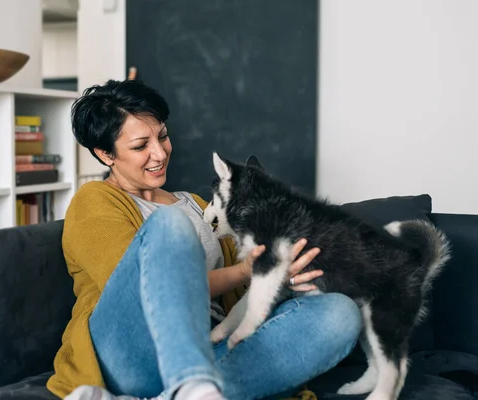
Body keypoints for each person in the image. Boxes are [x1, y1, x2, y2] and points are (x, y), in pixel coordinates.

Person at [46, 79, 362, 400]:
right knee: (170, 224)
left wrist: (282, 271)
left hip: (212, 343)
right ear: (105, 153)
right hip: (133, 352)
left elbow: (245, 290)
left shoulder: (197, 205)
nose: (159, 152)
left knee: (339, 314)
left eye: (163, 136)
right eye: (141, 146)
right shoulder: (96, 200)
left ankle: (185, 393)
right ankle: (191, 383)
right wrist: (244, 271)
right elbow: (147, 290)